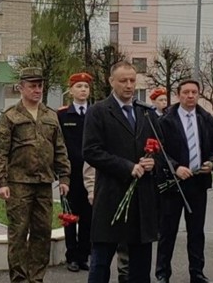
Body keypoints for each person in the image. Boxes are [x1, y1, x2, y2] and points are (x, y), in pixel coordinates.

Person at [83, 60, 162, 283]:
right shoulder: (98, 111)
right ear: (111, 82)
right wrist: (128, 167)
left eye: (132, 81)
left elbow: (161, 148)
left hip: (141, 201)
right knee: (100, 263)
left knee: (139, 268)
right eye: (123, 81)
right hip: (111, 197)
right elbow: (91, 151)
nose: (128, 85)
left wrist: (152, 162)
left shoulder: (146, 113)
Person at [0, 67, 71, 283]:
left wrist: (64, 177)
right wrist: (1, 182)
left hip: (44, 183)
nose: (37, 90)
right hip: (18, 184)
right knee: (18, 234)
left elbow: (60, 148)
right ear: (21, 88)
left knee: (42, 234)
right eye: (32, 86)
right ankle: (19, 279)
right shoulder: (10, 116)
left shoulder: (50, 115)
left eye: (40, 86)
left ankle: (36, 278)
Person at [155, 79, 213, 283]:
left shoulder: (206, 118)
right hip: (173, 183)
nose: (190, 96)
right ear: (178, 95)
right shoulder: (166, 119)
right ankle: (163, 273)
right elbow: (158, 149)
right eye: (186, 92)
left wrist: (211, 162)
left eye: (194, 92)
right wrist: (175, 167)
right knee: (168, 231)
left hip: (198, 182)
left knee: (196, 231)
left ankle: (197, 272)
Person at [58, 72, 94, 272]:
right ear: (71, 90)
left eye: (86, 87)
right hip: (69, 174)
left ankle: (83, 255)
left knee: (88, 216)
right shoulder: (62, 115)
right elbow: (58, 144)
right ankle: (71, 255)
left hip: (91, 174)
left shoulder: (95, 112)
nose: (83, 90)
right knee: (69, 216)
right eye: (79, 86)